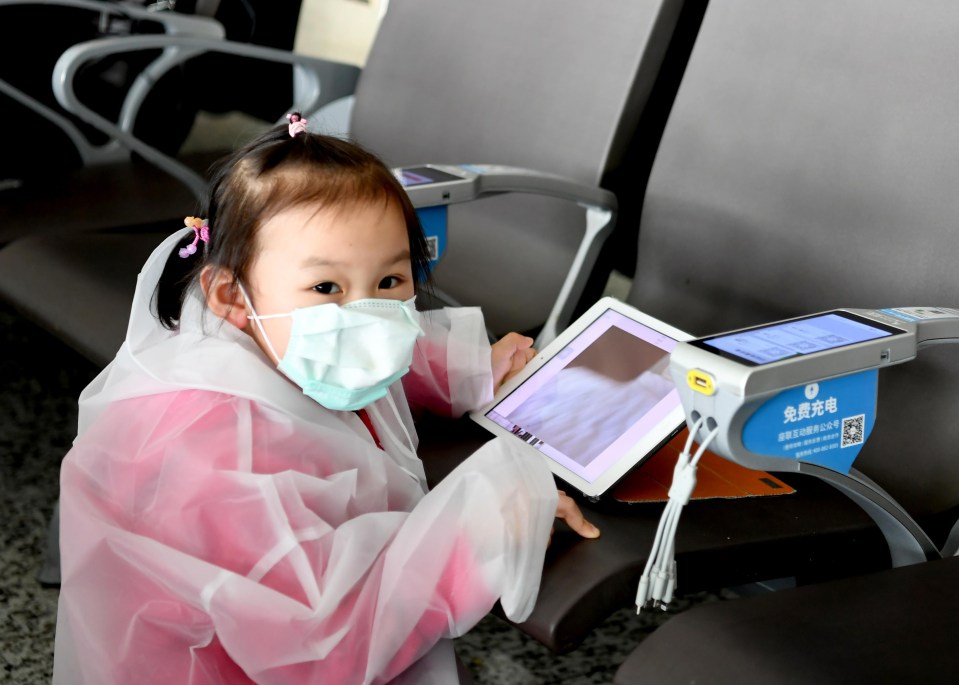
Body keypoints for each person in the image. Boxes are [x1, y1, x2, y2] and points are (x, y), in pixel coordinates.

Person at [53, 113, 599, 685]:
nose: (365, 317)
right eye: (327, 288)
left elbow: (386, 356)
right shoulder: (217, 451)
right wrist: (489, 526)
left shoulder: (273, 331)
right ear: (230, 295)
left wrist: (470, 370)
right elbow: (323, 647)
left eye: (390, 282)